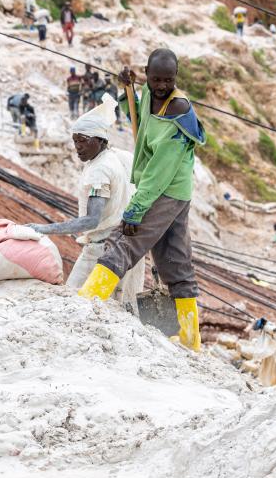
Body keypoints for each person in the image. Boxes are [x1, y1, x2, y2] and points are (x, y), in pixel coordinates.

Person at [79, 48, 206, 353]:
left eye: (168, 80)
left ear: (176, 79)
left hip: (165, 191)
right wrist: (128, 92)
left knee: (125, 240)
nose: (161, 85)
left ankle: (87, 302)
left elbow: (158, 176)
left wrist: (135, 211)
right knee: (175, 262)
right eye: (155, 79)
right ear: (147, 74)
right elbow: (139, 116)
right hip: (175, 193)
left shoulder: (177, 112)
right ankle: (191, 339)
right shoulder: (152, 95)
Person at [27, 104, 144, 312]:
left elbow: (91, 220)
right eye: (75, 141)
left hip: (102, 250)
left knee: (74, 303)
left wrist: (44, 229)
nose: (78, 147)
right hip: (131, 246)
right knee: (124, 310)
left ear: (99, 140)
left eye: (82, 141)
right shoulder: (121, 156)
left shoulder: (99, 171)